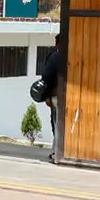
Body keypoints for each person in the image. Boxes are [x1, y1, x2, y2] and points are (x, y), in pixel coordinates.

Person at [40, 33, 66, 163]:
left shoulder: (55, 57)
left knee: (57, 125)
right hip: (72, 96)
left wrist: (46, 96)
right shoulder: (73, 55)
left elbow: (46, 77)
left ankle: (56, 153)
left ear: (57, 44)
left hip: (56, 96)